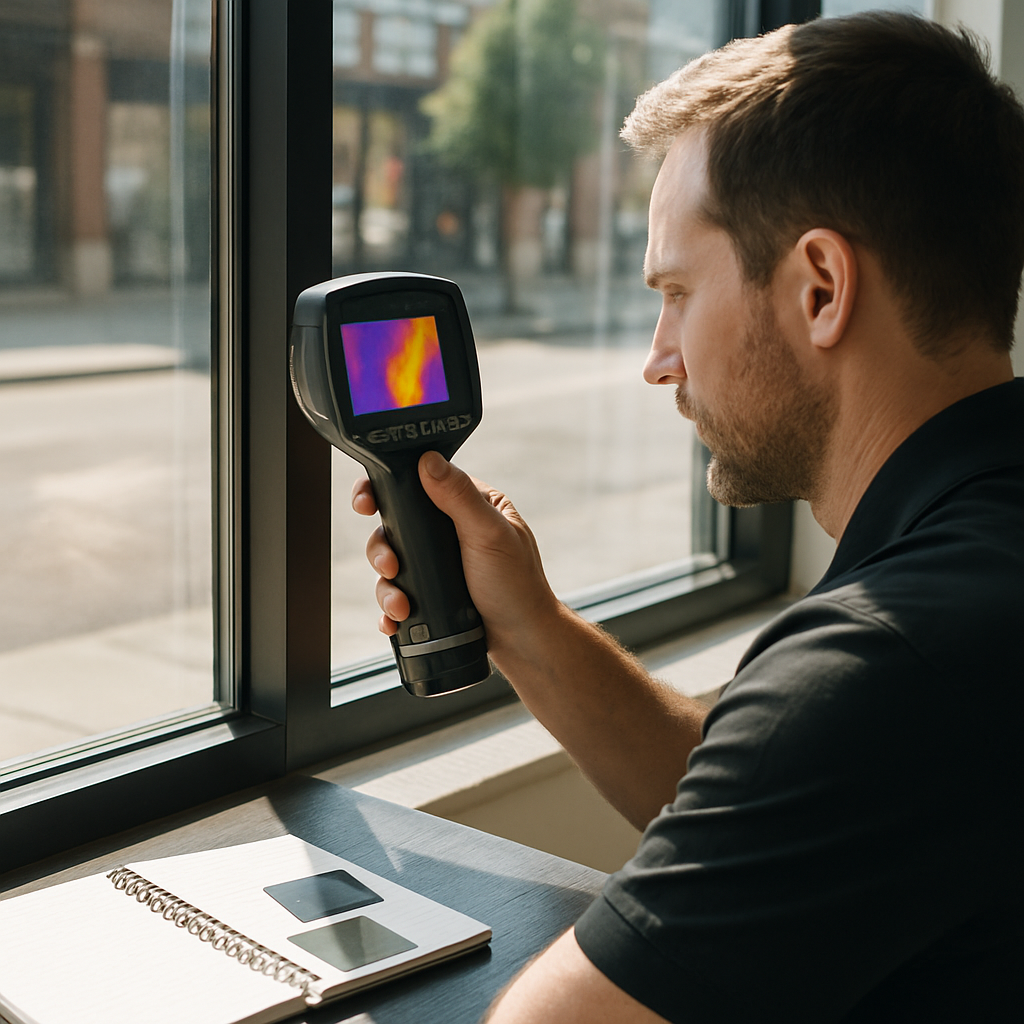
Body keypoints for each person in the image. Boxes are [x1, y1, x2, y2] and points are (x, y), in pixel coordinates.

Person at [354, 12, 1024, 1022]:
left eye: (675, 291)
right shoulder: (968, 585)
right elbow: (778, 805)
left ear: (820, 288)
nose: (658, 356)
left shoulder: (885, 664)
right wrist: (526, 625)